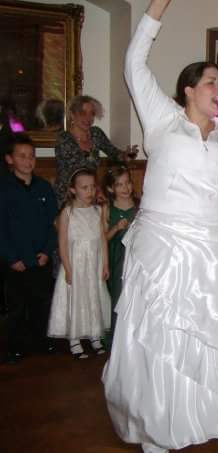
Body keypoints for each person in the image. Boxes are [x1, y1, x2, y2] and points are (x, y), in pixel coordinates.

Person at [101, 1, 218, 451]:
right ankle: (160, 424)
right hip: (166, 248)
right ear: (188, 90)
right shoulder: (162, 118)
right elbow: (133, 62)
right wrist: (157, 6)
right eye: (212, 81)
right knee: (165, 337)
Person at [0, 133, 57, 364]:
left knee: (41, 302)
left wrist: (47, 251)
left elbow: (53, 223)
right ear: (9, 159)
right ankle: (15, 345)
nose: (28, 161)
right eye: (22, 156)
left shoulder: (44, 188)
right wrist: (11, 258)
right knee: (16, 306)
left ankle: (41, 340)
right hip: (15, 261)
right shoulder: (4, 189)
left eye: (31, 156)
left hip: (40, 258)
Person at [47, 168, 111, 359]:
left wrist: (105, 264)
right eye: (84, 187)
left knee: (93, 297)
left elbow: (102, 239)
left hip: (94, 264)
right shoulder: (68, 213)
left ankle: (94, 334)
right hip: (75, 265)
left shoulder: (97, 211)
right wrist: (67, 268)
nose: (90, 191)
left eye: (92, 187)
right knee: (76, 299)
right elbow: (62, 243)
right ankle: (74, 338)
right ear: (73, 190)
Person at [53, 95, 138, 206]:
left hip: (90, 193)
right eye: (83, 113)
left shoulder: (96, 133)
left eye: (92, 113)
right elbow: (75, 171)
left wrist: (126, 156)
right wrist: (98, 189)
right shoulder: (64, 138)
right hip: (68, 195)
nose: (88, 118)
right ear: (72, 115)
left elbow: (114, 153)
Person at [101, 166, 138, 349]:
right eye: (119, 184)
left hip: (137, 257)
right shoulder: (108, 209)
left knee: (136, 295)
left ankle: (135, 336)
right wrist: (116, 228)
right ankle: (116, 339)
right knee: (118, 295)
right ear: (110, 188)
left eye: (128, 182)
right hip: (117, 258)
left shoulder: (139, 206)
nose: (126, 188)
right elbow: (103, 238)